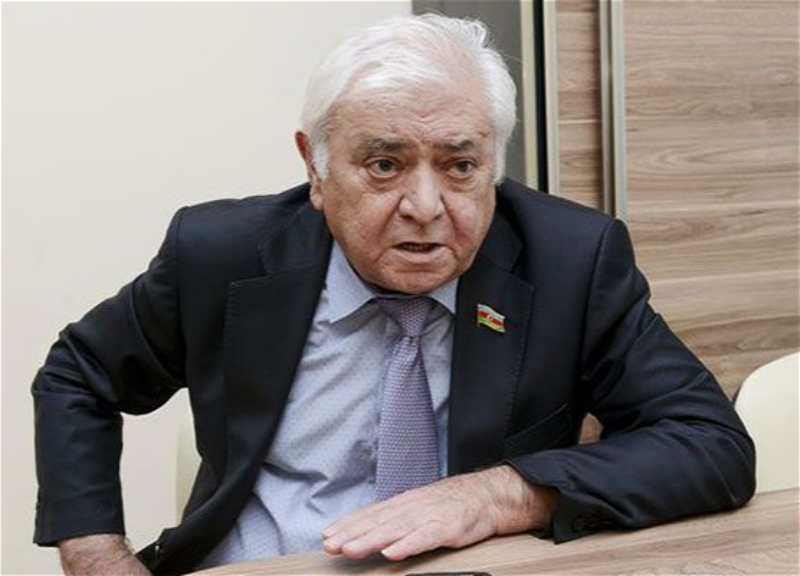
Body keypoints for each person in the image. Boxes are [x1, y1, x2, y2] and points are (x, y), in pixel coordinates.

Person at [33, 13, 755, 576]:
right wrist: (97, 555)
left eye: (460, 165)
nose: (426, 207)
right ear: (316, 168)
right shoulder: (221, 254)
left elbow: (710, 445)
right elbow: (78, 375)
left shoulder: (570, 263)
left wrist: (500, 493)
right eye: (384, 164)